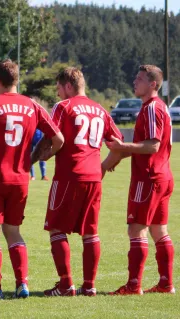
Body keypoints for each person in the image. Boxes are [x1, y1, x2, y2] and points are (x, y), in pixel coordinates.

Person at [0, 60, 64, 299]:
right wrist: (33, 159)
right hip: (21, 178)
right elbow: (59, 140)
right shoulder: (33, 106)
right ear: (17, 80)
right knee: (13, 230)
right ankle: (22, 284)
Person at [32, 67, 122, 297]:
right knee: (90, 232)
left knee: (56, 229)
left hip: (69, 175)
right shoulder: (100, 109)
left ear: (68, 86)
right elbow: (118, 143)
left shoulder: (63, 107)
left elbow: (50, 136)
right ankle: (89, 286)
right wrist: (103, 166)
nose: (58, 94)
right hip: (93, 177)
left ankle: (66, 285)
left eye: (59, 88)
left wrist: (30, 160)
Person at [103, 65, 175, 295]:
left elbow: (152, 146)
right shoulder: (155, 107)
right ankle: (166, 283)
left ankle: (134, 285)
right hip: (162, 176)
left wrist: (122, 147)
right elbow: (141, 146)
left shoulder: (152, 108)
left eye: (140, 79)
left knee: (136, 230)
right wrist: (112, 160)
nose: (135, 82)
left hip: (149, 177)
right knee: (159, 230)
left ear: (153, 84)